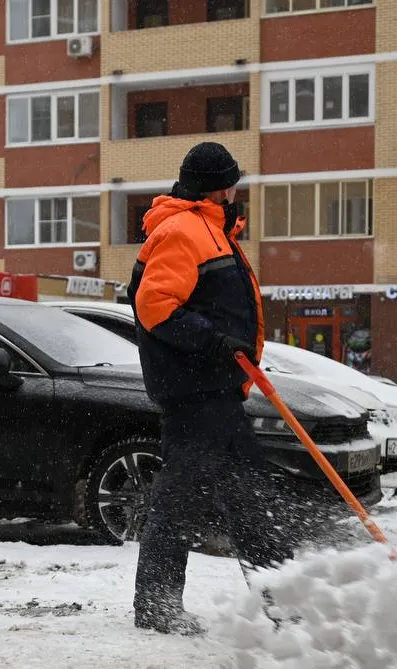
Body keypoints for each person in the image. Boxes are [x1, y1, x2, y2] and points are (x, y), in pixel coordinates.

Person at [128, 141, 312, 636]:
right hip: (194, 391)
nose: (236, 192)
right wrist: (214, 342)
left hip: (214, 389)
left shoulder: (209, 229)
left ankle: (283, 605)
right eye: (232, 183)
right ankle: (159, 605)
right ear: (221, 186)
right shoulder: (183, 230)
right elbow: (155, 306)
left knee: (245, 494)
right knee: (190, 496)